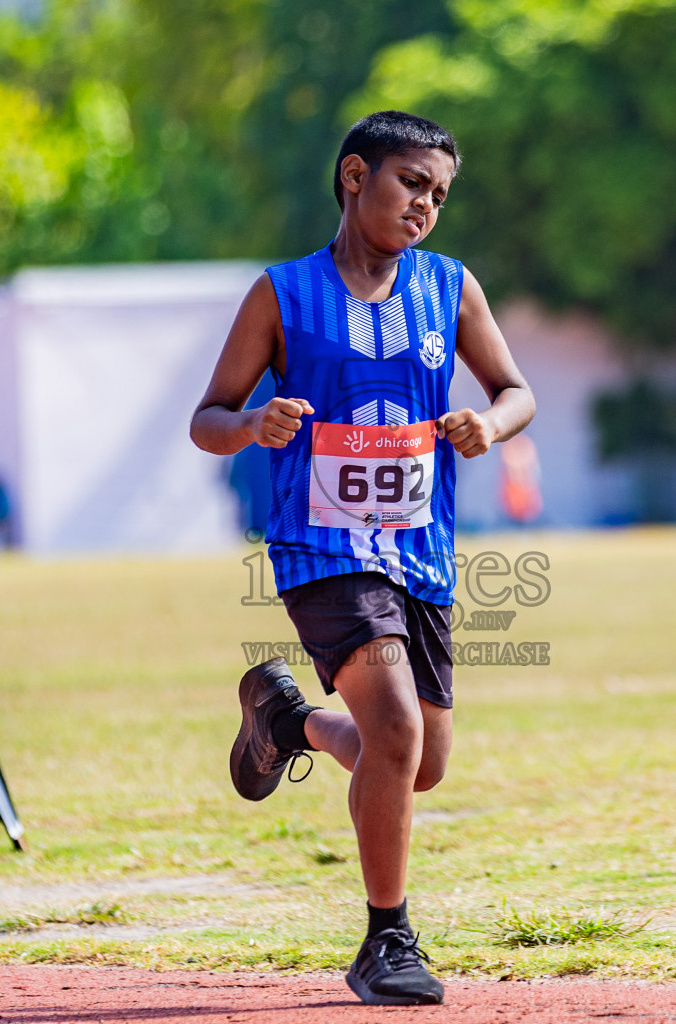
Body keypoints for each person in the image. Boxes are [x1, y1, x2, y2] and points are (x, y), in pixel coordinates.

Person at [190, 111, 535, 1007]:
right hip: (320, 547)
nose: (426, 205)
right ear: (354, 176)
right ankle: (388, 939)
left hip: (420, 549)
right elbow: (208, 416)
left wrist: (487, 424)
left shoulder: (450, 289)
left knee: (420, 763)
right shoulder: (282, 295)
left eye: (440, 194)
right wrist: (252, 426)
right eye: (411, 183)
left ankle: (286, 722)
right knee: (395, 733)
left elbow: (514, 389)